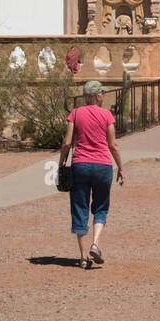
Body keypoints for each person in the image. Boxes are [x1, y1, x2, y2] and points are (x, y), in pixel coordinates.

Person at [59, 79, 125, 268]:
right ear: (96, 96)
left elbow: (66, 143)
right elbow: (112, 144)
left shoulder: (76, 114)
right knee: (101, 207)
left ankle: (82, 257)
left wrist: (61, 163)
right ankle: (95, 244)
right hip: (103, 166)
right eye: (101, 94)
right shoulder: (106, 115)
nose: (103, 97)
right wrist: (120, 167)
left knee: (79, 207)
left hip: (80, 165)